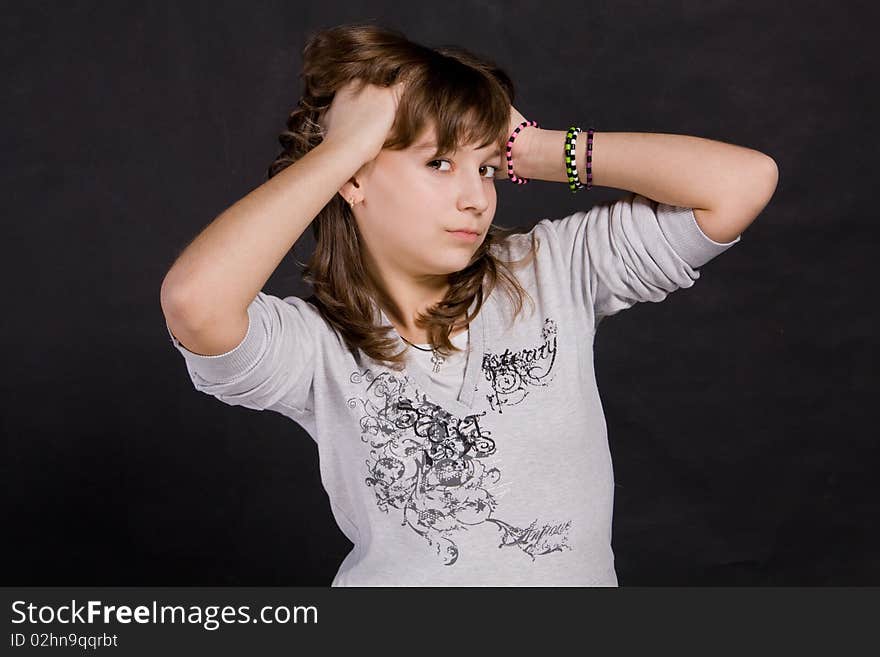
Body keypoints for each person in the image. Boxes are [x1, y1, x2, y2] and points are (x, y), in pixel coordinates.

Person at [160, 23, 777, 586]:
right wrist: (341, 151)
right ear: (354, 179)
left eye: (485, 170)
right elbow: (194, 302)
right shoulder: (315, 346)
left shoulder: (554, 270)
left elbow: (740, 185)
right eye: (439, 163)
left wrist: (531, 149)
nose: (476, 199)